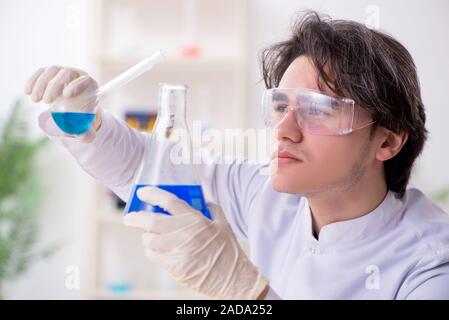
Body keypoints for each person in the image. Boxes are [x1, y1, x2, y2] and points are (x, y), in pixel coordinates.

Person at [24, 11, 449, 299]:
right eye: (281, 106)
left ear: (388, 142)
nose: (284, 131)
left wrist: (249, 293)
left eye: (318, 110)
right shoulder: (263, 191)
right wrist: (86, 120)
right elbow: (147, 167)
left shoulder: (431, 267)